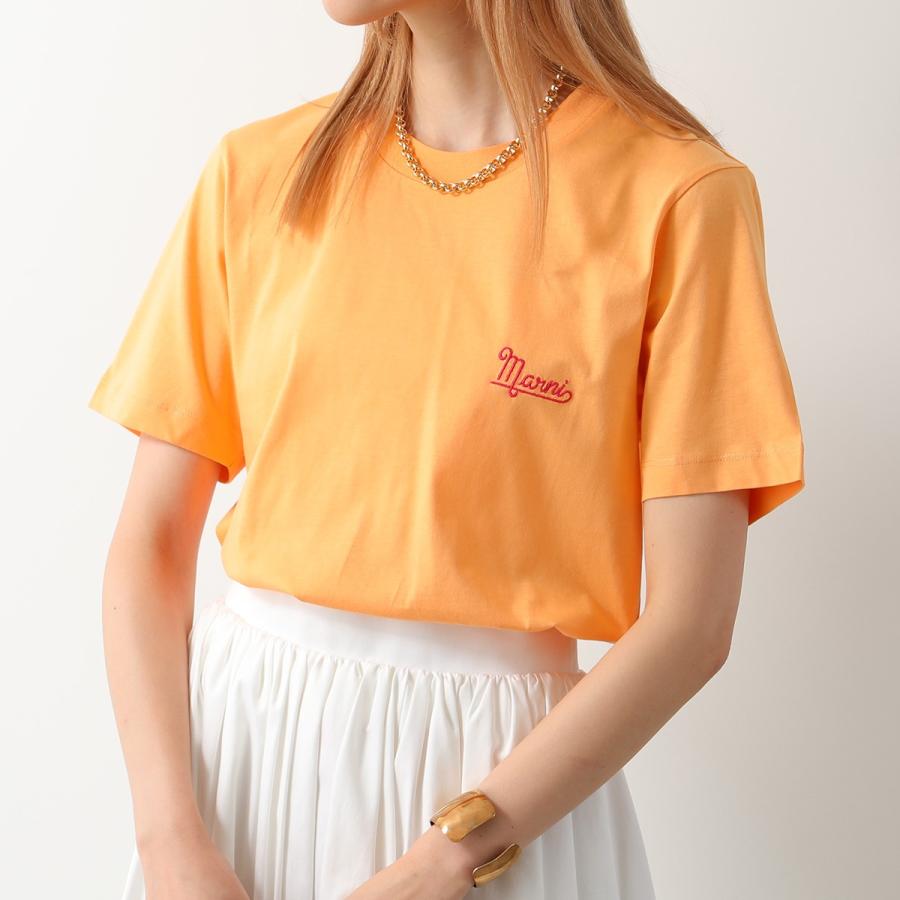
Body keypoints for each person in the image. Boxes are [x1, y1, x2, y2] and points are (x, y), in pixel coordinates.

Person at [87, 2, 806, 899]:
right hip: (236, 768)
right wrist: (170, 840)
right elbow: (150, 545)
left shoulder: (678, 195)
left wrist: (449, 860)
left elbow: (691, 624)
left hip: (507, 782)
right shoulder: (261, 171)